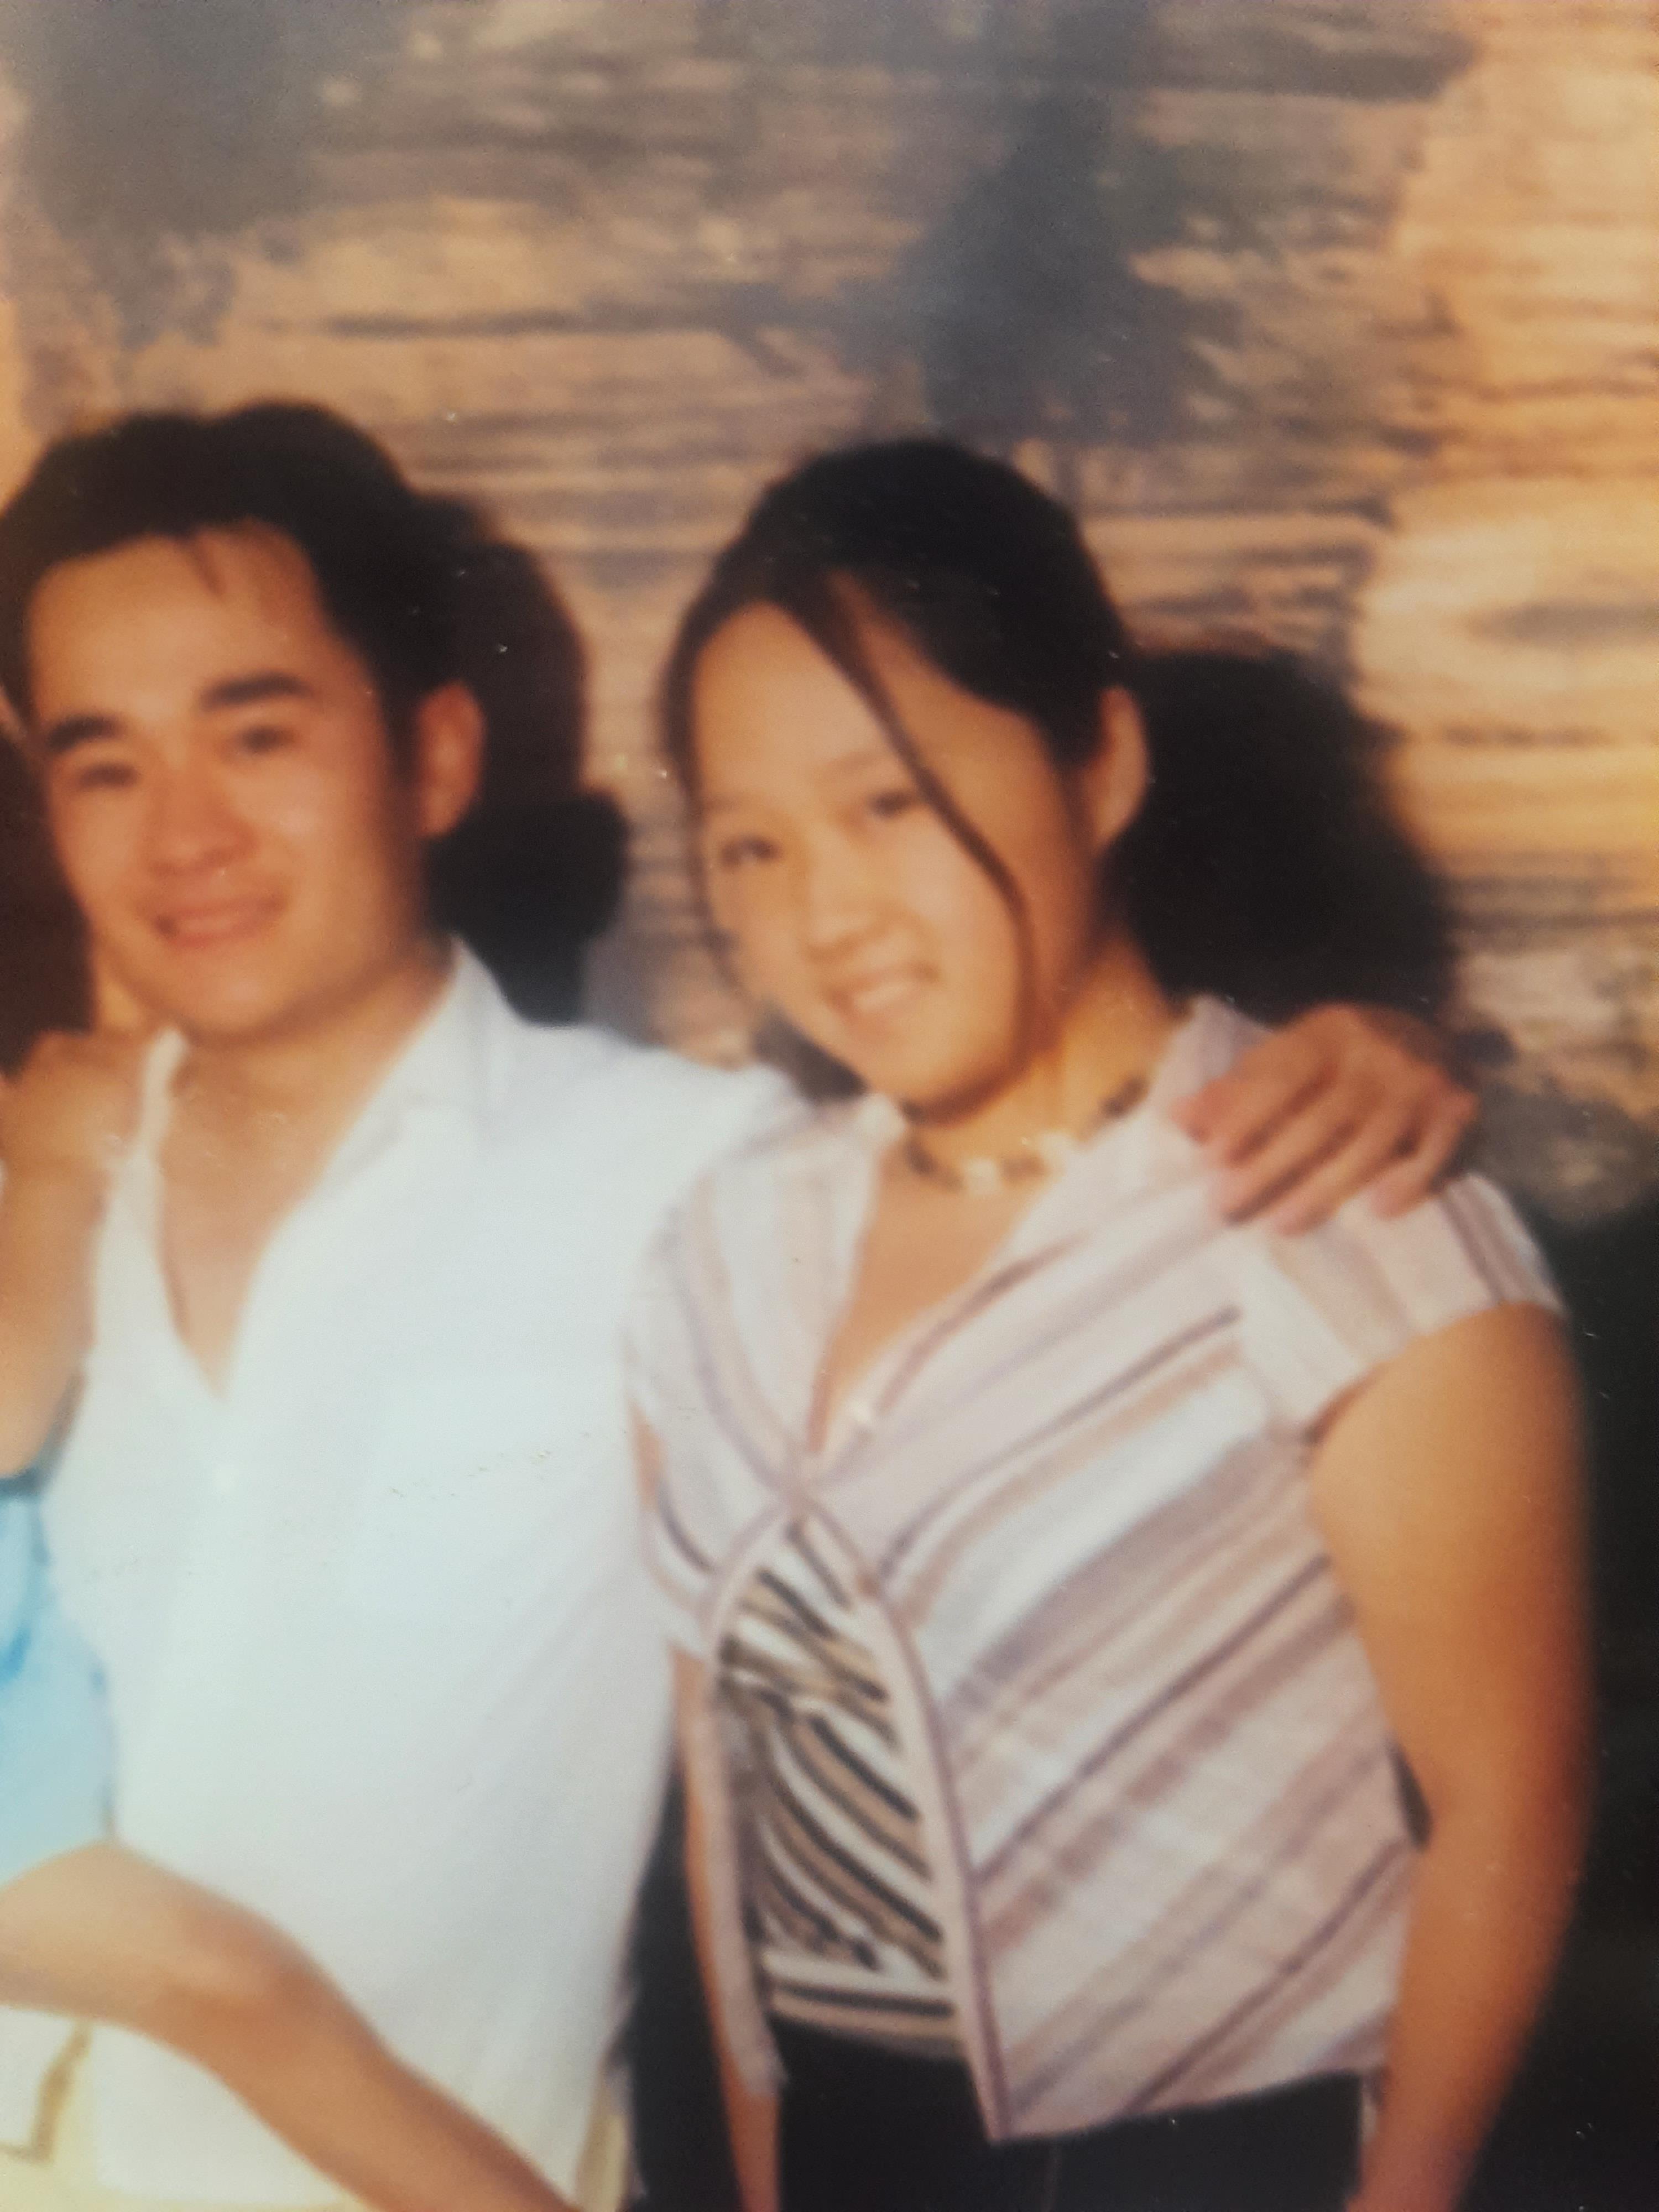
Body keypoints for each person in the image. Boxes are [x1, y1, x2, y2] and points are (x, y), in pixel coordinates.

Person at [0, 401, 1471, 2211]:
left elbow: (1063, 1138)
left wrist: (1378, 1052)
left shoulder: (703, 1188)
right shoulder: (28, 1187)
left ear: (436, 756)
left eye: (257, 731)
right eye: (103, 765)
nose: (185, 835)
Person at [627, 440, 1593, 2212]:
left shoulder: (1346, 1217)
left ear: (1104, 758)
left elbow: (1513, 1810)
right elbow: (727, 1788)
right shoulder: (724, 1247)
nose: (824, 912)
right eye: (749, 846)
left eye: (889, 802)